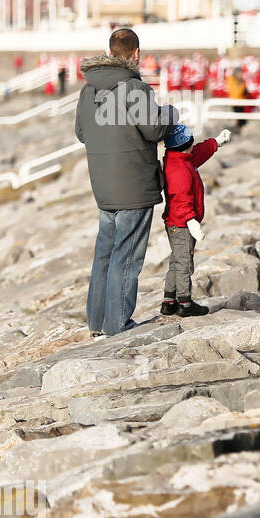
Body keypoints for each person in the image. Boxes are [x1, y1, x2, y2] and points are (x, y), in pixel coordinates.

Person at [75, 29, 184, 336]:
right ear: (136, 54)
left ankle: (97, 323)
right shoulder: (135, 88)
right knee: (127, 256)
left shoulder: (88, 90)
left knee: (105, 254)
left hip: (104, 185)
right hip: (134, 183)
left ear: (110, 52)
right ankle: (118, 324)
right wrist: (171, 113)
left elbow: (81, 133)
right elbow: (153, 129)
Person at [160, 122, 232, 318]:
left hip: (176, 221)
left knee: (176, 261)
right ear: (186, 144)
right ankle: (184, 302)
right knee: (185, 263)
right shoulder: (180, 170)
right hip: (182, 224)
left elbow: (199, 152)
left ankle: (169, 301)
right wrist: (191, 221)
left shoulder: (180, 159)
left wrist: (216, 142)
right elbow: (181, 198)